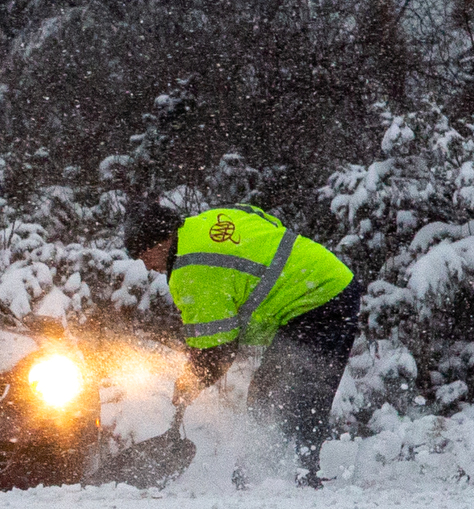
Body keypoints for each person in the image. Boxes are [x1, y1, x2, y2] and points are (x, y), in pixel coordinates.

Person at [125, 199, 361, 488]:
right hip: (327, 279)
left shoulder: (191, 268)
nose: (147, 265)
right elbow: (261, 219)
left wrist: (191, 381)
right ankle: (283, 472)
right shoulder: (207, 222)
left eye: (144, 254)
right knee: (294, 391)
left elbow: (218, 349)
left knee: (282, 394)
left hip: (318, 300)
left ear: (161, 239)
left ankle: (279, 477)